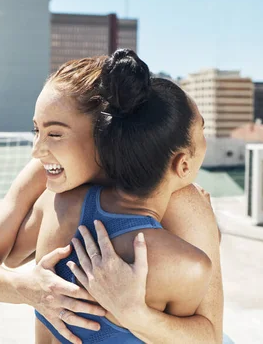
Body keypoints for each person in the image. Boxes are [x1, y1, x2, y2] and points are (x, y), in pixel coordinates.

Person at [0, 55, 224, 344]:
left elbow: (208, 333)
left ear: (104, 132)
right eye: (37, 130)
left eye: (55, 133)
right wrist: (28, 287)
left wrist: (134, 315)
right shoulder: (48, 177)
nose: (37, 150)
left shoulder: (181, 201)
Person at [23, 49, 210, 342]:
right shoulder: (186, 265)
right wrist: (136, 317)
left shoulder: (59, 204)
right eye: (203, 131)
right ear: (183, 164)